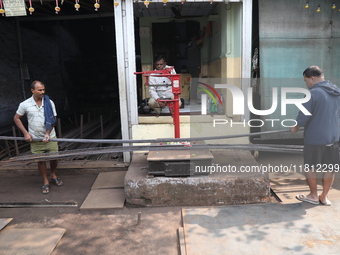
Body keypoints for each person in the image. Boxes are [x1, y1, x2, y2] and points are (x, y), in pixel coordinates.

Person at [291, 66, 340, 206]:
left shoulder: (313, 93)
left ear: (312, 78)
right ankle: (324, 197)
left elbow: (303, 116)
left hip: (315, 137)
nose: (306, 84)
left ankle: (313, 195)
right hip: (334, 137)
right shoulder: (337, 91)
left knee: (311, 167)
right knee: (330, 168)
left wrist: (296, 126)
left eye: (306, 80)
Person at [14, 80, 63, 194]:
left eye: (43, 90)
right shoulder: (25, 104)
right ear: (32, 90)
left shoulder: (49, 102)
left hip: (50, 136)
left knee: (54, 157)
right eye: (39, 90)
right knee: (40, 160)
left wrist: (47, 134)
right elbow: (16, 118)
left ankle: (53, 175)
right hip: (35, 138)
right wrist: (26, 133)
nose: (42, 92)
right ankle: (45, 181)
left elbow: (52, 119)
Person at [186, 27, 206, 101]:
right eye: (195, 37)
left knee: (194, 82)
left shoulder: (189, 45)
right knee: (195, 82)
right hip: (194, 66)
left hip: (191, 66)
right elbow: (201, 40)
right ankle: (192, 99)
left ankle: (192, 98)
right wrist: (204, 32)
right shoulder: (193, 43)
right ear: (192, 38)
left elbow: (201, 45)